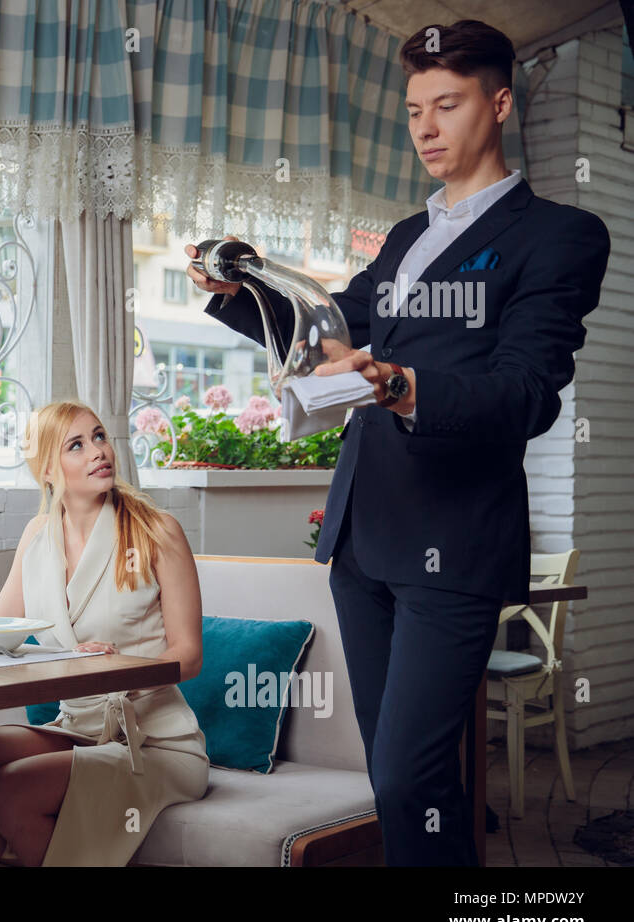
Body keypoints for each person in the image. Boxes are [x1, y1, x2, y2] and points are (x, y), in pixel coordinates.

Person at [186, 20, 609, 866]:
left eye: (446, 103)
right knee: (394, 779)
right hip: (363, 537)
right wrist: (242, 289)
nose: (425, 126)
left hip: (454, 539)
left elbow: (527, 392)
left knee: (414, 774)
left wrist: (401, 384)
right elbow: (339, 327)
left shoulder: (560, 236)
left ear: (498, 103)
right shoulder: (410, 237)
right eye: (415, 107)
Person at [0, 400, 207, 866]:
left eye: (98, 437)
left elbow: (189, 656)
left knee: (14, 787)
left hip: (153, 742)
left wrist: (116, 670)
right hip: (79, 727)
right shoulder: (37, 535)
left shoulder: (157, 531)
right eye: (77, 445)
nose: (98, 451)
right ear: (48, 471)